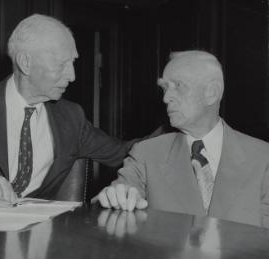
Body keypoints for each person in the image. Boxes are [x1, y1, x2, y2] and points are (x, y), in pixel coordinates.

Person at [0, 14, 136, 202]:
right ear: (25, 63)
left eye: (73, 63)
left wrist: (168, 126)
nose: (72, 76)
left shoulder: (71, 118)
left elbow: (126, 152)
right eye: (62, 64)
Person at [98, 50, 269, 227]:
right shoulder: (146, 154)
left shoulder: (263, 158)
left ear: (211, 92)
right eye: (164, 88)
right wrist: (116, 199)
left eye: (178, 85)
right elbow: (117, 196)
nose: (166, 98)